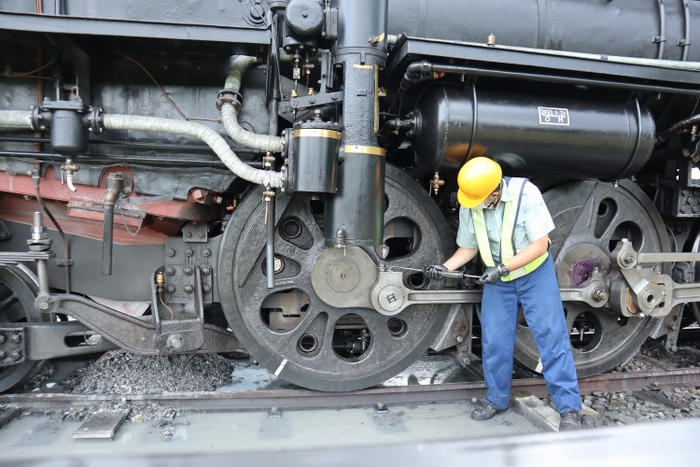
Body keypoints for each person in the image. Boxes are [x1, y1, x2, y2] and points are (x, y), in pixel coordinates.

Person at [425, 157, 582, 431]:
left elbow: (539, 246)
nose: (473, 205)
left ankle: (569, 409)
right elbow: (468, 248)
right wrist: (445, 267)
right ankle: (496, 400)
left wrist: (502, 268)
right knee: (495, 341)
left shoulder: (527, 195)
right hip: (499, 281)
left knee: (551, 338)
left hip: (535, 275)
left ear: (495, 193)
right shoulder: (472, 203)